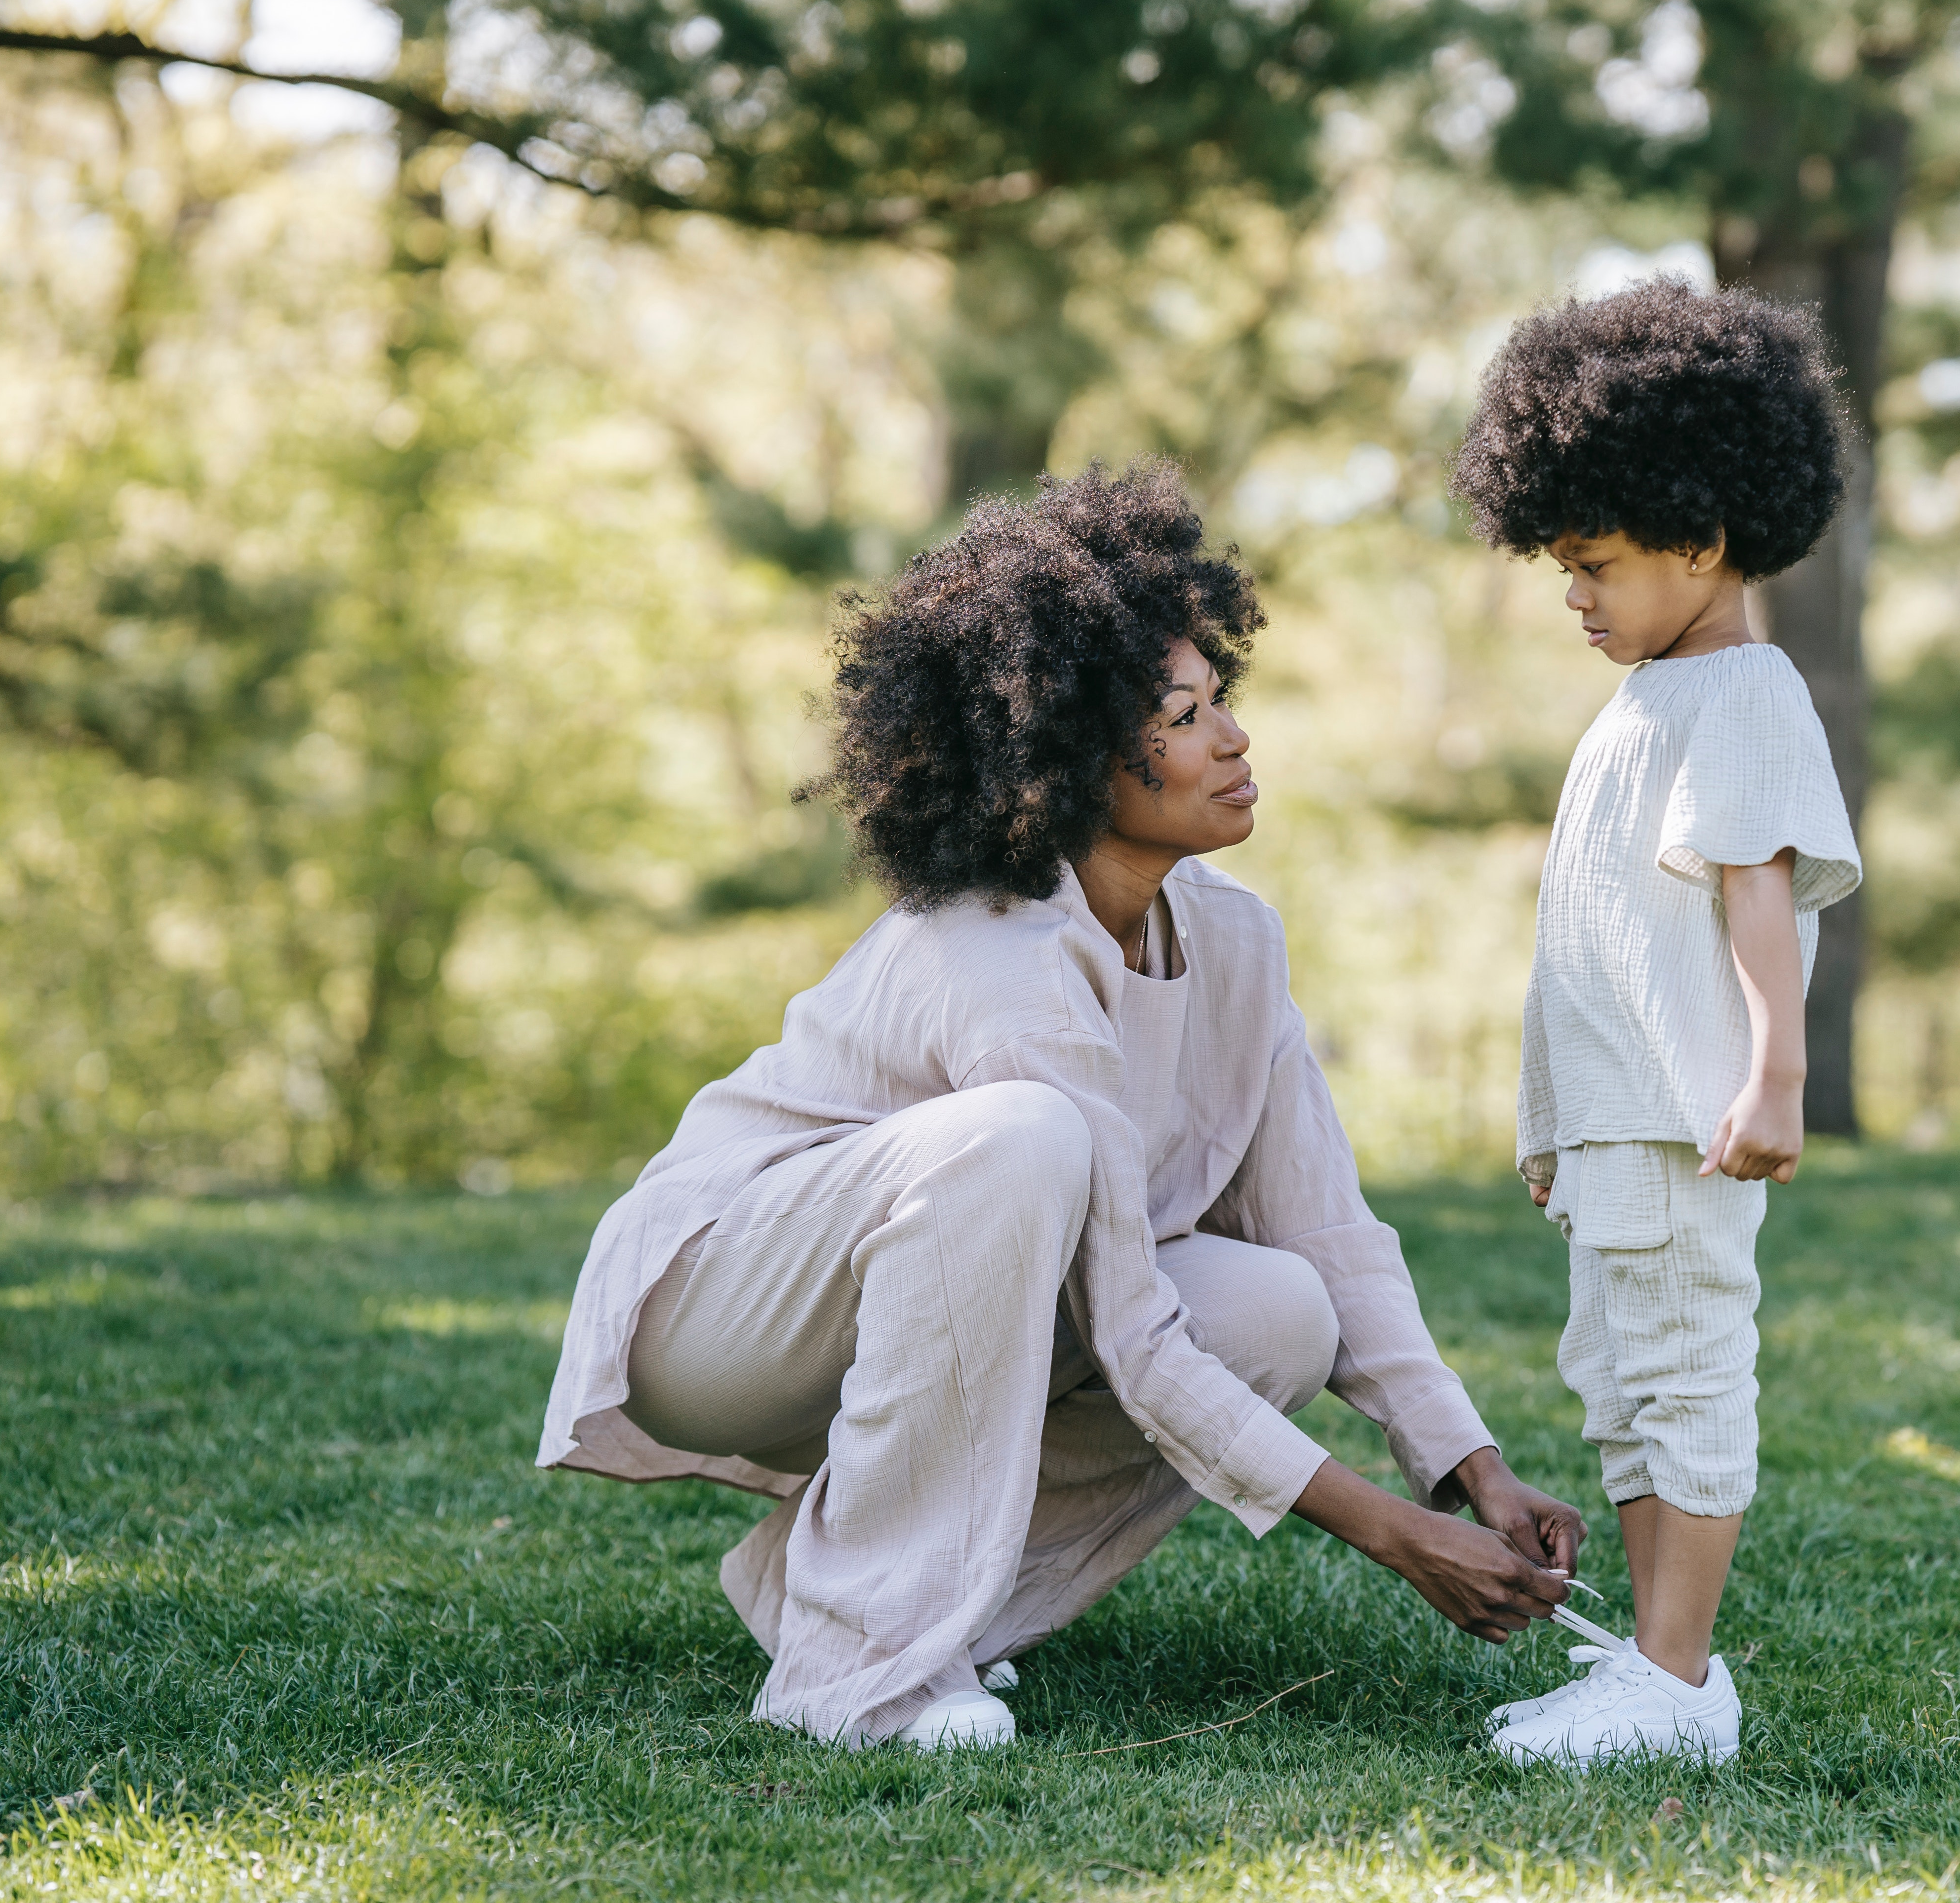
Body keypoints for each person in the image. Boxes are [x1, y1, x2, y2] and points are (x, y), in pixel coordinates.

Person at [537, 462, 1584, 1750]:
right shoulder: (1003, 958)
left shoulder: (1238, 947)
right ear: (1078, 758)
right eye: (1183, 715)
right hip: (720, 1317)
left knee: (1279, 1311)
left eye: (1223, 702)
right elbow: (1136, 1342)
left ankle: (889, 1609)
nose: (1234, 738)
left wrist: (1467, 1468)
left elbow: (1331, 1236)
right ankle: (855, 1666)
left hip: (923, 1289)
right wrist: (1390, 1532)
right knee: (1022, 1143)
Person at [1445, 278, 1863, 1766]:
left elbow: (1758, 902)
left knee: (1686, 1369)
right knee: (1619, 1381)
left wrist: (1776, 1079)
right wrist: (1551, 1124)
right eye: (1565, 566)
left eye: (1598, 564)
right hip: (1621, 1127)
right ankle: (1647, 1664)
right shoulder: (1641, 702)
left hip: (1694, 1121)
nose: (1577, 596)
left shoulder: (1741, 695)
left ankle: (1682, 1684)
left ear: (1700, 536)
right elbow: (1593, 946)